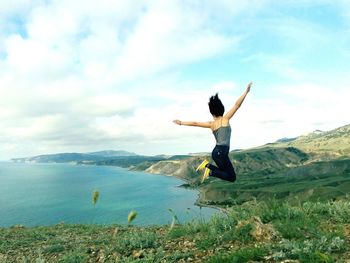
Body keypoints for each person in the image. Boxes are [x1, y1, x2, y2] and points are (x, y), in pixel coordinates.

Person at [173, 82, 252, 183]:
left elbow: (195, 123)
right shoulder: (226, 119)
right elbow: (237, 105)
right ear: (222, 109)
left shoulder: (212, 124)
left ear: (212, 112)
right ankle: (210, 172)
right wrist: (246, 92)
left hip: (217, 152)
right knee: (231, 177)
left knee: (226, 173)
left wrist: (181, 123)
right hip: (222, 152)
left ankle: (207, 166)